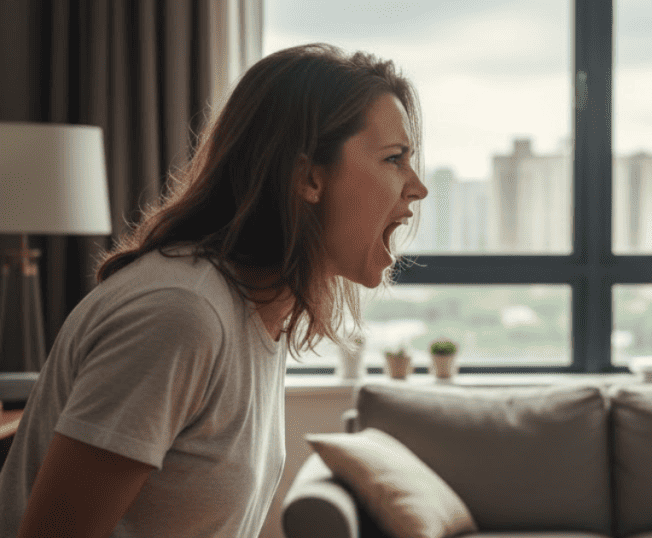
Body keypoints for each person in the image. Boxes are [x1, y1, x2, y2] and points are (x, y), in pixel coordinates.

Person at [0, 43, 428, 538]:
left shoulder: (255, 311)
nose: (417, 186)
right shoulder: (179, 315)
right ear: (308, 176)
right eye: (394, 158)